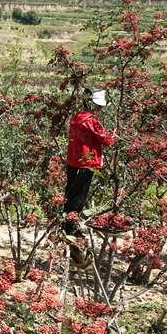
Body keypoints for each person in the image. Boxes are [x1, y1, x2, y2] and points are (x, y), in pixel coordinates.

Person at [63, 88, 116, 236]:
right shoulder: (91, 121)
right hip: (87, 163)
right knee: (80, 195)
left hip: (72, 160)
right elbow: (107, 140)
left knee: (71, 191)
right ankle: (71, 225)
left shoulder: (75, 117)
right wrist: (113, 135)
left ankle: (67, 221)